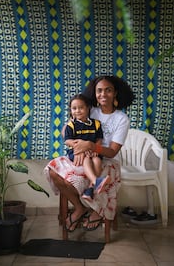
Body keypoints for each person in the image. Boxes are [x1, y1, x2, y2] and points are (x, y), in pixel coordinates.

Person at [43, 75, 135, 232]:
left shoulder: (121, 119)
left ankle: (97, 210)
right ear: (94, 93)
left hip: (107, 159)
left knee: (82, 175)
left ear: (115, 93)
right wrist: (78, 147)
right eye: (99, 91)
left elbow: (112, 152)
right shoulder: (90, 110)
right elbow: (66, 130)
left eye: (108, 90)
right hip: (83, 153)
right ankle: (80, 208)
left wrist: (91, 147)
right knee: (53, 171)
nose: (103, 94)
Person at [64, 93, 109, 201]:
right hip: (77, 152)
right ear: (70, 110)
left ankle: (89, 190)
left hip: (92, 150)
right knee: (86, 159)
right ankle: (95, 181)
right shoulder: (71, 125)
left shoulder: (96, 124)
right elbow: (67, 140)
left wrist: (94, 148)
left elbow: (99, 139)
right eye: (74, 108)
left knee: (97, 160)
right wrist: (80, 148)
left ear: (88, 108)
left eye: (81, 108)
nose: (77, 111)